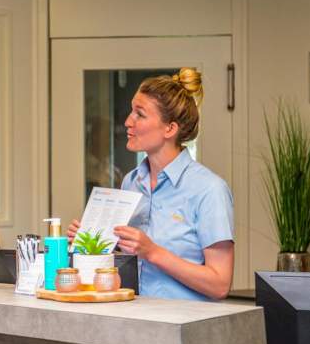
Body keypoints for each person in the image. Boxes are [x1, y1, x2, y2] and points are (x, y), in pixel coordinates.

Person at [68, 67, 234, 301]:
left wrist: (153, 252)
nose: (128, 121)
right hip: (134, 316)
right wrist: (93, 243)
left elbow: (220, 285)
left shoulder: (209, 190)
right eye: (131, 111)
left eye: (140, 114)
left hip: (186, 320)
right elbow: (129, 260)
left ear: (170, 128)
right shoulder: (131, 182)